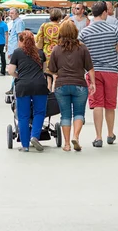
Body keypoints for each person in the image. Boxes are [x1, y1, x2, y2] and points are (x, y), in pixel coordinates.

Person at [79, 1, 118, 148]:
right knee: (110, 105)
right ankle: (110, 134)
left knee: (97, 104)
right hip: (111, 72)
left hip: (93, 72)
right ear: (104, 13)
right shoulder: (114, 30)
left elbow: (81, 53)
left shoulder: (85, 32)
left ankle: (98, 136)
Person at [48, 20, 95, 152]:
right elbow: (90, 68)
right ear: (75, 32)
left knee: (65, 115)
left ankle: (67, 144)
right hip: (79, 85)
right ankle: (76, 136)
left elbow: (52, 69)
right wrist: (93, 84)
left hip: (61, 85)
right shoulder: (82, 48)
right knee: (79, 113)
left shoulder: (56, 49)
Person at [7, 31, 49, 152]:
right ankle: (35, 136)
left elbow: (10, 71)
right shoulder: (40, 52)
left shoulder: (17, 52)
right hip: (40, 85)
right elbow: (44, 70)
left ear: (20, 41)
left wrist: (18, 76)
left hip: (23, 86)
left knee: (23, 116)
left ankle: (25, 145)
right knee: (39, 112)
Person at [36, 8, 63, 88]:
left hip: (46, 52)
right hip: (58, 52)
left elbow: (38, 38)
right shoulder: (62, 27)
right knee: (55, 75)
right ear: (59, 16)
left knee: (48, 76)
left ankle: (48, 91)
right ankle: (54, 94)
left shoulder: (44, 25)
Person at [6, 8, 25, 94]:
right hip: (12, 49)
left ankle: (14, 87)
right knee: (14, 69)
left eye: (12, 13)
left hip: (16, 49)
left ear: (17, 14)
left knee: (15, 69)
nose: (10, 15)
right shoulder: (14, 23)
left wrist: (18, 50)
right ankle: (13, 87)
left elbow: (20, 37)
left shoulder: (19, 22)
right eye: (10, 13)